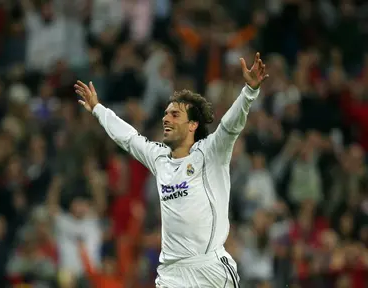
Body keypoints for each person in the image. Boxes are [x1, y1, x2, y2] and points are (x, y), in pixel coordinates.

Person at [74, 52, 268, 287]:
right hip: (172, 273)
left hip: (211, 269)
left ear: (193, 125)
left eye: (175, 114)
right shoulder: (159, 157)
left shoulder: (211, 152)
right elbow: (128, 137)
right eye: (165, 114)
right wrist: (98, 109)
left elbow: (230, 126)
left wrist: (249, 92)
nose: (166, 118)